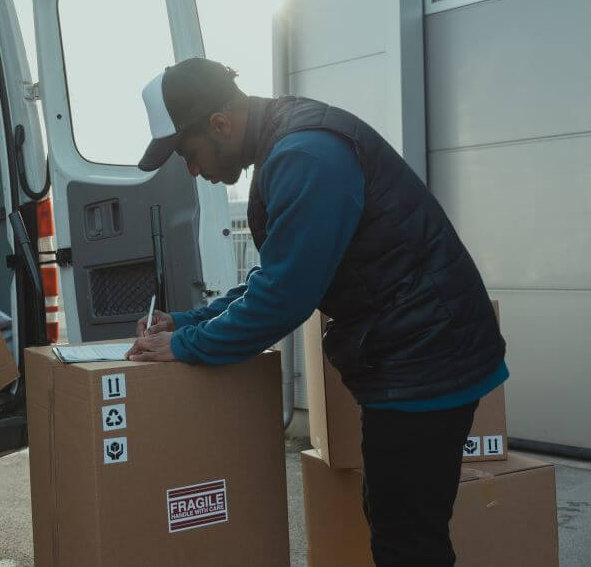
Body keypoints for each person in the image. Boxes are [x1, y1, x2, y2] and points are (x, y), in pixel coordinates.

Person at [125, 58, 507, 566]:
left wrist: (184, 346)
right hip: (419, 352)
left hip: (427, 360)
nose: (194, 171)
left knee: (408, 542)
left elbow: (285, 297)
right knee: (398, 522)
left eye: (190, 155)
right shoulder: (287, 144)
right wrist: (188, 322)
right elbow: (281, 274)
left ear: (220, 125)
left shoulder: (305, 153)